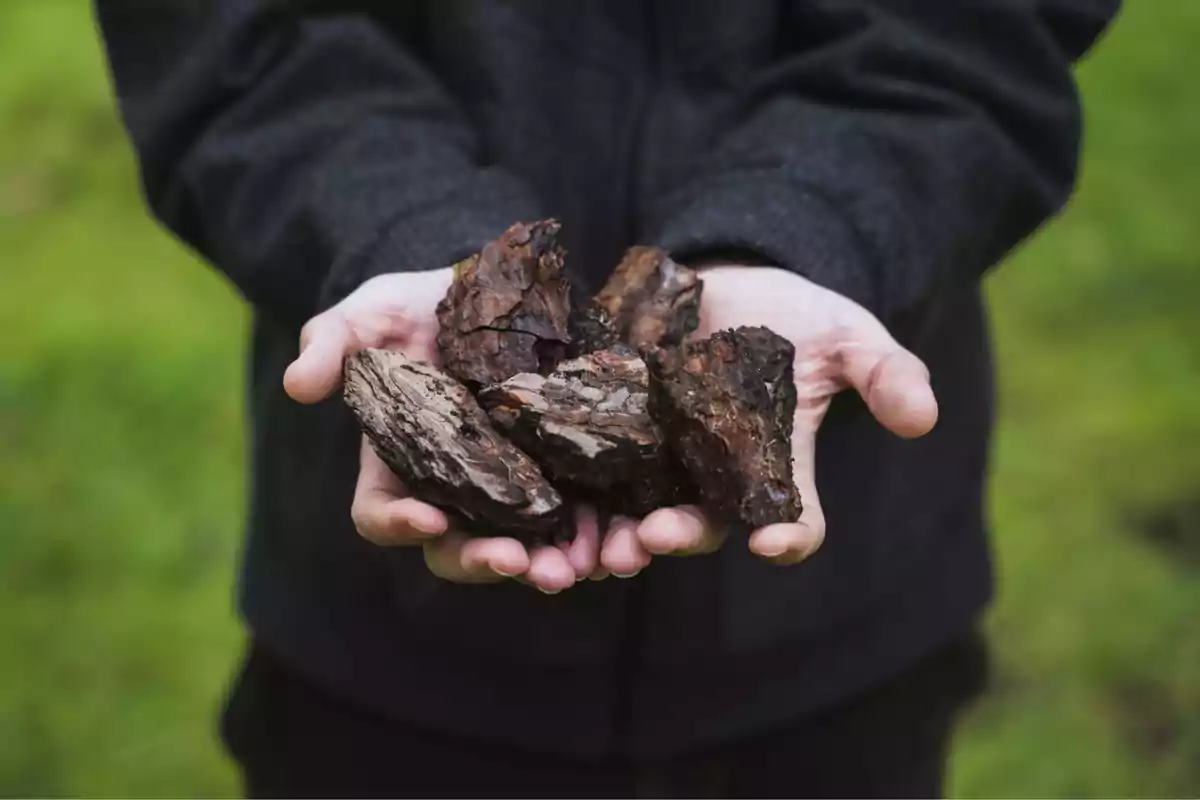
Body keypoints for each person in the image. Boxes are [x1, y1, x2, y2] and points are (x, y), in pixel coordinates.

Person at [96, 0, 1118, 796]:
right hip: (389, 651)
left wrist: (812, 220)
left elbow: (972, 31)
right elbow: (237, 45)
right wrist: (410, 236)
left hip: (846, 626)